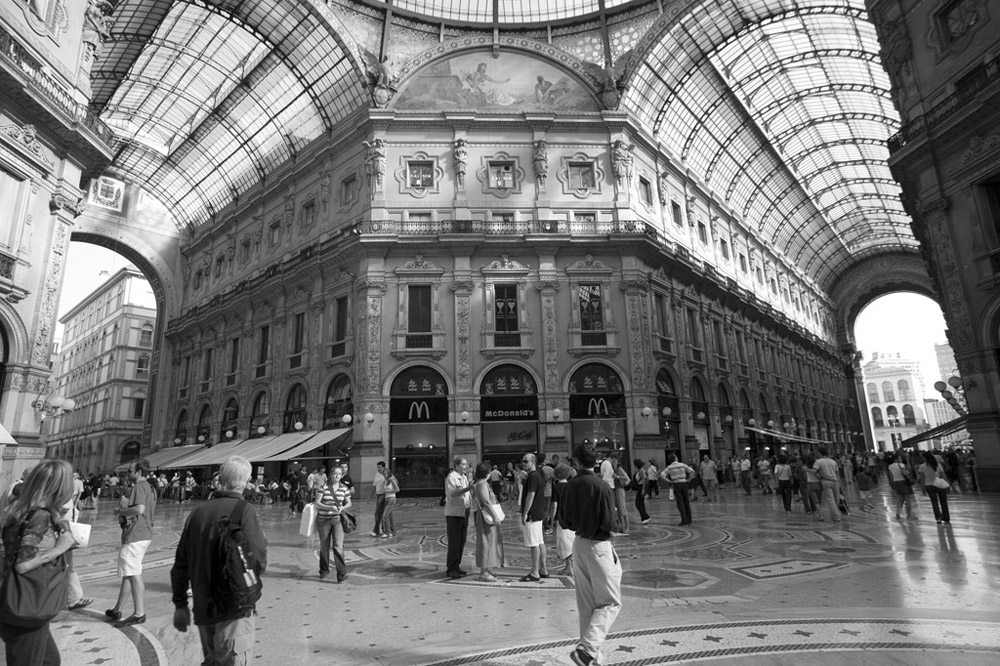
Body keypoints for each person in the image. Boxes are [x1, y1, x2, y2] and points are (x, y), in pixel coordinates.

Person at [171, 456, 268, 666]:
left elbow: (180, 564)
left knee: (212, 659)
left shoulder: (197, 513)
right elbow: (259, 558)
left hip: (203, 606)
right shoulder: (244, 510)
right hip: (234, 606)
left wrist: (180, 604)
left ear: (221, 479)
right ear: (247, 481)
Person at [0, 460, 80, 665]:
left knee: (50, 661)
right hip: (28, 605)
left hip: (20, 602)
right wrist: (59, 548)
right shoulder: (39, 516)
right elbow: (23, 564)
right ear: (60, 488)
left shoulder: (22, 510)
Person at [560, 443, 621, 666]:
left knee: (586, 605)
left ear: (575, 462)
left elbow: (564, 520)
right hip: (598, 545)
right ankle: (587, 649)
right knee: (610, 603)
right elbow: (609, 522)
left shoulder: (568, 486)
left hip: (578, 544)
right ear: (595, 462)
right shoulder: (602, 486)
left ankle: (593, 660)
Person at [107, 459, 156, 626]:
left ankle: (139, 613)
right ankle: (117, 610)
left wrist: (119, 511)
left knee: (134, 573)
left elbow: (139, 509)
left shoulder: (140, 486)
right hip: (142, 532)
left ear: (139, 473)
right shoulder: (148, 486)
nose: (128, 473)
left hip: (137, 534)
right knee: (128, 573)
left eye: (130, 470)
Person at [314, 466, 351, 582]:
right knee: (324, 546)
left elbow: (349, 502)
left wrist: (343, 507)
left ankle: (342, 573)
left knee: (338, 546)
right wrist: (329, 506)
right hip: (323, 520)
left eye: (339, 474)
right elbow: (317, 503)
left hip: (337, 520)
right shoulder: (323, 487)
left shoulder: (344, 488)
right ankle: (324, 570)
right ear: (331, 475)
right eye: (335, 473)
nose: (337, 476)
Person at [471, 462, 504, 582]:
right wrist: (495, 516)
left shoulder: (480, 484)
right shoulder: (482, 485)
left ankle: (486, 568)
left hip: (484, 516)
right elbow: (485, 502)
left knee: (489, 542)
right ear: (487, 473)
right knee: (485, 542)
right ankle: (483, 572)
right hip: (486, 517)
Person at [519, 453, 549, 582]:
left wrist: (525, 512)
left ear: (533, 462)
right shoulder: (537, 475)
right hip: (538, 513)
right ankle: (543, 569)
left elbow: (530, 495)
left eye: (526, 461)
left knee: (534, 544)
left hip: (532, 514)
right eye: (523, 461)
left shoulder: (532, 477)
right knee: (540, 541)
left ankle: (535, 572)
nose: (524, 463)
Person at [444, 457, 474, 579]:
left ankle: (457, 565)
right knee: (454, 542)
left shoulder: (464, 477)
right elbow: (453, 494)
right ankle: (451, 568)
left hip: (464, 511)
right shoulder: (452, 477)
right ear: (456, 466)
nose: (466, 466)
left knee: (461, 541)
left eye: (466, 464)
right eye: (463, 464)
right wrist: (468, 488)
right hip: (454, 514)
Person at [551, 463, 576, 575]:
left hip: (561, 517)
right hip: (572, 516)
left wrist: (552, 518)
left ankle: (568, 566)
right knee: (572, 540)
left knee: (563, 542)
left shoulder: (556, 487)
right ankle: (572, 565)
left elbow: (555, 505)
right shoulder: (572, 486)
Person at [661, 454, 695, 525]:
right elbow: (692, 471)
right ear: (675, 458)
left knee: (680, 502)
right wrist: (689, 479)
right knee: (686, 502)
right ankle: (689, 519)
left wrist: (670, 481)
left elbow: (662, 475)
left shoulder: (669, 467)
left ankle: (684, 520)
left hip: (676, 484)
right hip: (684, 483)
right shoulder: (682, 465)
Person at [918, 451, 950, 524]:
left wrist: (923, 489)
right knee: (943, 502)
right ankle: (946, 517)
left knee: (934, 502)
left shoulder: (922, 466)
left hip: (929, 485)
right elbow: (943, 475)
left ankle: (938, 518)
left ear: (924, 458)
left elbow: (922, 479)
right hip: (939, 484)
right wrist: (948, 483)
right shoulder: (937, 465)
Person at [814, 448, 842, 525]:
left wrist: (821, 477)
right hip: (835, 481)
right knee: (836, 499)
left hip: (826, 482)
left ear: (820, 453)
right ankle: (835, 514)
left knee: (830, 499)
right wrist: (839, 482)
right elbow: (837, 473)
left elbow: (815, 472)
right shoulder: (833, 461)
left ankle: (836, 516)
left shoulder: (818, 462)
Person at [887, 453, 917, 520]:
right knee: (908, 499)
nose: (901, 459)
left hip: (896, 482)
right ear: (896, 459)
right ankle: (909, 516)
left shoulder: (890, 466)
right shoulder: (901, 465)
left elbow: (890, 476)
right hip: (903, 482)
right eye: (900, 458)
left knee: (900, 499)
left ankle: (897, 514)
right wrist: (908, 471)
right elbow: (905, 473)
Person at [380, 466, 399, 537]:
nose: (384, 475)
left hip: (391, 499)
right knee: (390, 516)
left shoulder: (392, 480)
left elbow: (397, 489)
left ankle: (388, 532)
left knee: (385, 516)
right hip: (386, 498)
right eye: (383, 474)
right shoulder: (386, 481)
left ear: (388, 473)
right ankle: (393, 531)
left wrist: (387, 491)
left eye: (385, 474)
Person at [370, 461, 388, 538]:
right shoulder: (377, 475)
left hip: (384, 495)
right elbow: (374, 485)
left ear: (384, 467)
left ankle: (383, 530)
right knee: (378, 513)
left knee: (379, 513)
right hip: (378, 495)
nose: (378, 469)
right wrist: (370, 495)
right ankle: (378, 530)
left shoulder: (386, 474)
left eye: (379, 467)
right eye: (377, 467)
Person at [632, 459, 650, 524]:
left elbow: (644, 480)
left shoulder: (640, 471)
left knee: (638, 503)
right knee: (641, 503)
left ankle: (646, 516)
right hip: (641, 487)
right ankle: (644, 518)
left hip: (641, 487)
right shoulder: (641, 471)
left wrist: (643, 489)